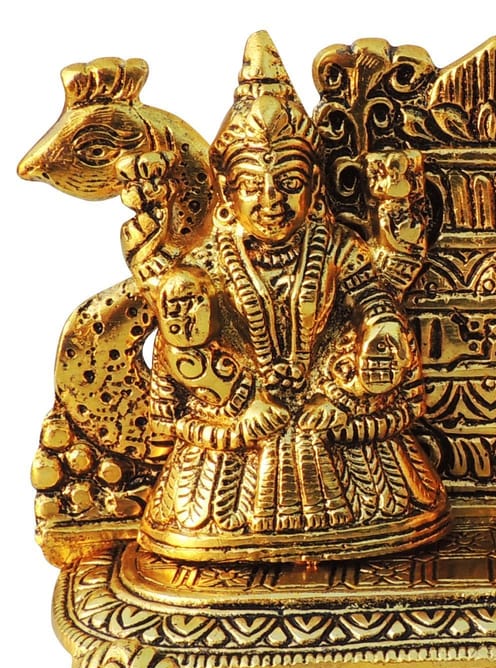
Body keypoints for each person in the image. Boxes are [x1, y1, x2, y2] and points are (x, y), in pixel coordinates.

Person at [140, 31, 448, 562]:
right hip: (236, 427)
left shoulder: (335, 248)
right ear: (227, 191)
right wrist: (241, 401)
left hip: (334, 414)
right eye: (252, 185)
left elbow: (377, 307)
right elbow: (179, 348)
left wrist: (346, 387)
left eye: (289, 182)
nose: (271, 201)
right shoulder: (208, 265)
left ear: (314, 186)